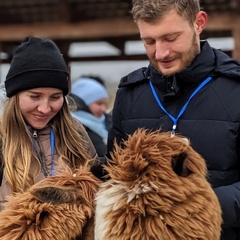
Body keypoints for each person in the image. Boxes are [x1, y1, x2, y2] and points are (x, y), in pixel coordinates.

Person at [106, 0, 240, 239]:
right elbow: (113, 176)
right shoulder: (129, 94)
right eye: (149, 41)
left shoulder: (235, 89)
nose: (160, 53)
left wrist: (197, 206)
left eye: (170, 38)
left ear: (198, 23)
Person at [0, 36, 98, 214]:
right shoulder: (2, 138)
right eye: (35, 96)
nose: (45, 109)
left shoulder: (76, 132)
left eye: (55, 97)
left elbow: (96, 190)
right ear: (15, 96)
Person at [70, 76, 110, 157]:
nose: (103, 109)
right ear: (83, 103)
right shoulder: (73, 129)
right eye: (99, 103)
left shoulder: (106, 122)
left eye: (104, 104)